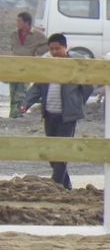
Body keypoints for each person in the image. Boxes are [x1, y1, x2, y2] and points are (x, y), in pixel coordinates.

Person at [19, 33, 93, 189]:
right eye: (51, 49)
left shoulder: (75, 64)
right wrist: (26, 103)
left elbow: (88, 86)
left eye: (57, 48)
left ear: (65, 47)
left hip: (67, 117)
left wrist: (77, 103)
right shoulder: (48, 65)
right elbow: (37, 87)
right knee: (52, 152)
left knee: (62, 151)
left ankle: (55, 185)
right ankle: (66, 186)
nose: (54, 52)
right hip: (49, 114)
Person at [9, 11, 48, 118]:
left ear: (26, 22)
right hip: (13, 66)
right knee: (13, 90)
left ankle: (19, 113)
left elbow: (47, 45)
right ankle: (12, 113)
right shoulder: (14, 34)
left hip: (26, 67)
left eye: (19, 21)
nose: (16, 23)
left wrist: (37, 53)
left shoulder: (37, 35)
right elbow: (13, 48)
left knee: (22, 91)